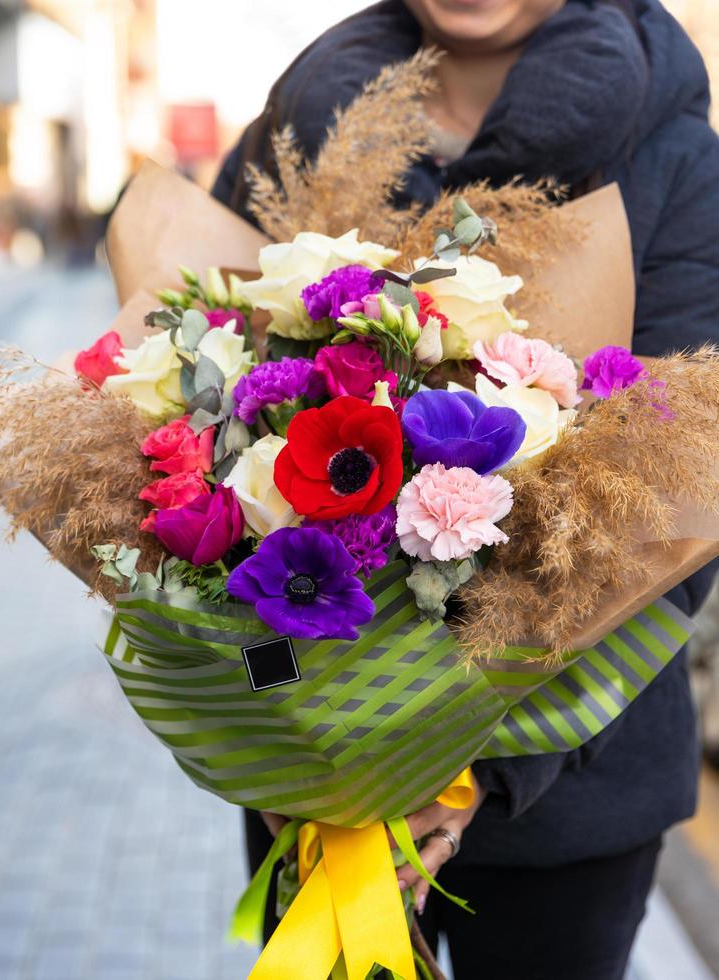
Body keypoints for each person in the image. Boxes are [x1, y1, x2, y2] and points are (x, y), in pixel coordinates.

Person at [212, 1, 719, 977]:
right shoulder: (303, 123)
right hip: (316, 783)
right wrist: (262, 717)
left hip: (571, 794)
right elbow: (199, 436)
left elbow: (680, 488)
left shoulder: (675, 156)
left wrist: (468, 768)